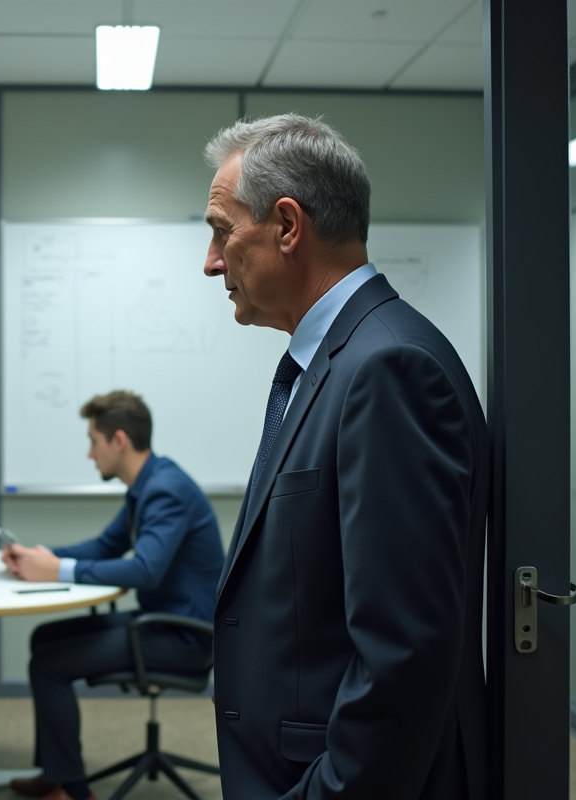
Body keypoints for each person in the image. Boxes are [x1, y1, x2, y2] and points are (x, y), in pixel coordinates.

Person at [201, 114, 490, 800]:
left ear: (288, 227)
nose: (211, 261)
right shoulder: (337, 360)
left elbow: (403, 660)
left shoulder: (388, 367)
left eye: (221, 230)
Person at [2, 391, 225, 800]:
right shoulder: (147, 484)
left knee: (50, 663)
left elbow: (145, 570)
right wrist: (44, 557)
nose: (90, 453)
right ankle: (56, 771)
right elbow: (105, 546)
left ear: (118, 440)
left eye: (93, 441)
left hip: (185, 637)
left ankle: (71, 790)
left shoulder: (165, 490)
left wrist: (56, 570)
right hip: (161, 623)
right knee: (44, 639)